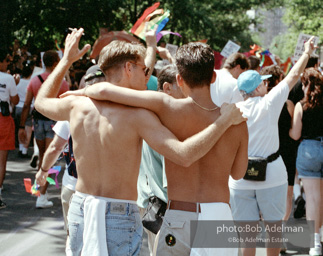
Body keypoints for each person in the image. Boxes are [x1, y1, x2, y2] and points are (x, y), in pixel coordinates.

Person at [35, 28, 246, 255]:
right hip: (198, 215)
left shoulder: (81, 106)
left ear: (179, 78)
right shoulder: (141, 117)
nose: (148, 76)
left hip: (84, 206)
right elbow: (217, 166)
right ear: (129, 68)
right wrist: (223, 122)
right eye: (144, 69)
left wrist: (67, 62)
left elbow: (41, 102)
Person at [229, 37, 316, 256]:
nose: (267, 84)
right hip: (272, 175)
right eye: (264, 82)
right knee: (274, 230)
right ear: (258, 86)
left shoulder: (232, 110)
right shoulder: (269, 103)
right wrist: (306, 53)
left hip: (240, 177)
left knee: (246, 235)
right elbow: (294, 75)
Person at [138, 64, 183, 256]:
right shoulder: (168, 123)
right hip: (166, 208)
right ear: (167, 88)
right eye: (182, 85)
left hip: (149, 205)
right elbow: (172, 178)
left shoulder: (147, 116)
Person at [19, 50, 69, 208]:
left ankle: (39, 191)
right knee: (52, 158)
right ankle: (41, 195)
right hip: (54, 123)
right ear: (55, 63)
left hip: (38, 122)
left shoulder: (34, 80)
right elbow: (67, 104)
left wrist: (21, 126)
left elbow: (27, 104)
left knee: (42, 157)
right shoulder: (61, 82)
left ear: (42, 62)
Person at [289, 67, 323, 256]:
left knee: (312, 198)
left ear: (305, 84)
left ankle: (315, 243)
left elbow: (295, 135)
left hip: (309, 149)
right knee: (322, 197)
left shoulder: (302, 105)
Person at [0, 49, 19, 209]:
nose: (7, 64)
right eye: (6, 61)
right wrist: (15, 84)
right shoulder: (8, 78)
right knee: (1, 160)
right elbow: (15, 99)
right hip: (3, 119)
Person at [15, 60, 34, 157]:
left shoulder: (18, 82)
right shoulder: (31, 83)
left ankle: (21, 147)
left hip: (18, 107)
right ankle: (24, 150)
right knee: (28, 129)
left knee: (20, 127)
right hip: (29, 107)